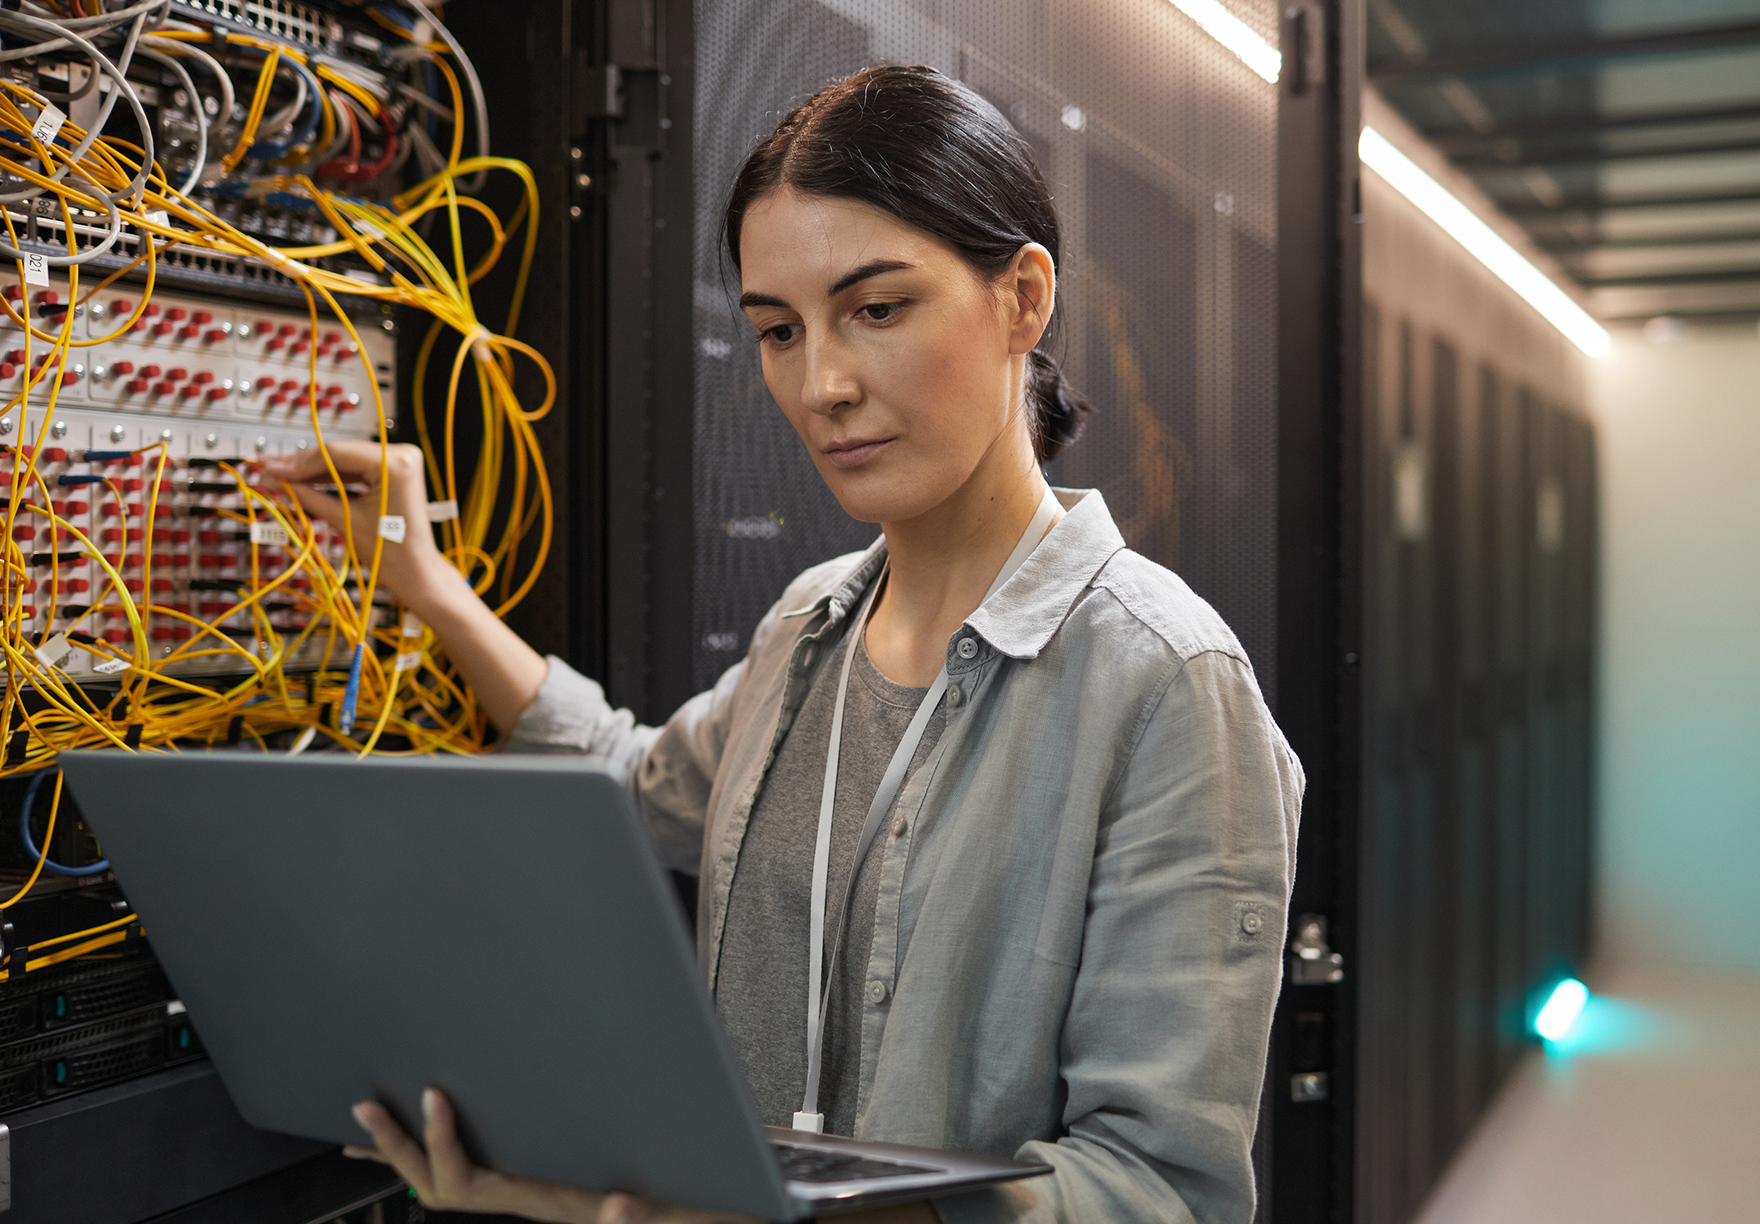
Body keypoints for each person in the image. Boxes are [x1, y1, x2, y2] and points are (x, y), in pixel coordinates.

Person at [262, 65, 1302, 1224]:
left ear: (1021, 299)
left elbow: (1162, 1189)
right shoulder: (809, 629)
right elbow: (627, 779)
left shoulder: (1162, 684)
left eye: (877, 308)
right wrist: (431, 588)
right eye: (777, 330)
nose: (822, 384)